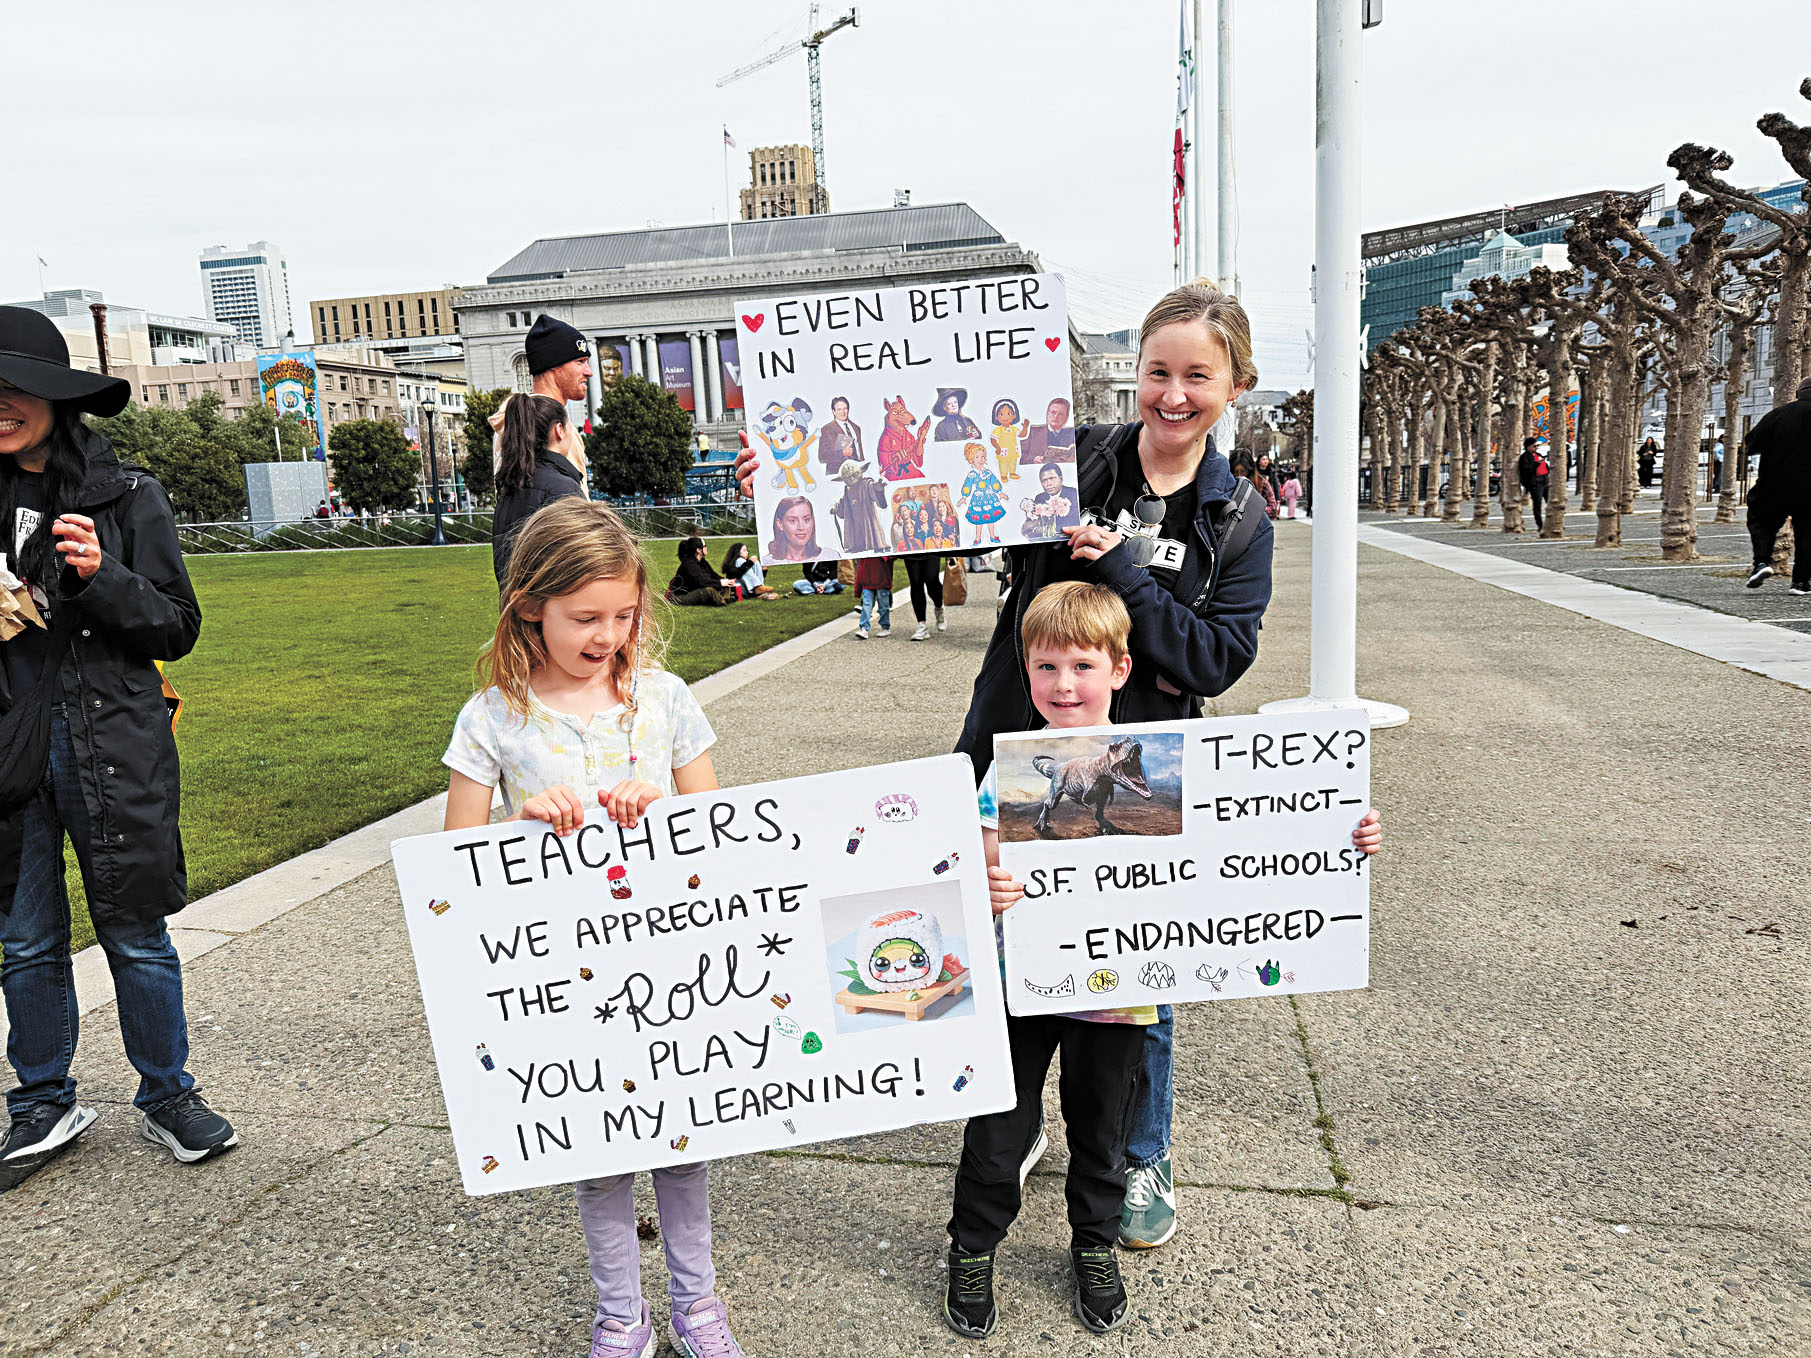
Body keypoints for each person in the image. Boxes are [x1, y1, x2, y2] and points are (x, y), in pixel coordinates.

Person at [440, 499, 747, 1358]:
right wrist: (521, 824)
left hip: (670, 958)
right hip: (563, 975)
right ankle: (622, 1314)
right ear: (529, 605)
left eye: (623, 615)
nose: (608, 634)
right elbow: (455, 850)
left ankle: (698, 1305)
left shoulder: (664, 700)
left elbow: (718, 821)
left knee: (684, 1147)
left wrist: (663, 808)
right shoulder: (493, 717)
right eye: (585, 617)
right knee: (599, 1154)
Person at [0, 306, 235, 1190]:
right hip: (7, 747)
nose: (2, 407)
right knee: (23, 938)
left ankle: (168, 1091)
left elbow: (176, 626)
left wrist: (103, 576)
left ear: (59, 400)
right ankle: (42, 1099)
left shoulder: (125, 494)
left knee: (135, 930)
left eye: (16, 389)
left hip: (111, 741)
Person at [944, 582, 1156, 1339]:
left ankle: (1095, 1246)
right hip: (1018, 985)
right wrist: (987, 880)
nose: (1063, 685)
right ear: (1024, 671)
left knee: (1100, 1133)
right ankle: (972, 1246)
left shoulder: (1168, 763)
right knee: (997, 1132)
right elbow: (971, 861)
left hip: (1120, 988)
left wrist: (1340, 836)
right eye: (1044, 668)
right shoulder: (1004, 769)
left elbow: (1241, 850)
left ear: (1119, 669)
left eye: (1080, 666)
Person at [491, 393, 587, 583]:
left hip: (519, 605)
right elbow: (580, 564)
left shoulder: (511, 485)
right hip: (553, 607)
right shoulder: (562, 488)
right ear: (559, 430)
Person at [1744, 377, 1811, 593]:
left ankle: (1762, 563)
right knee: (1808, 532)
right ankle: (1800, 582)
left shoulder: (1777, 415)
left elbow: (1751, 443)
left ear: (1798, 393)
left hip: (1775, 483)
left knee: (1761, 520)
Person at [956, 441, 1008, 547]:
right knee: (979, 519)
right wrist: (964, 497)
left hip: (990, 497)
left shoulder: (988, 472)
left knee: (991, 518)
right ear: (971, 460)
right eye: (977, 457)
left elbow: (994, 482)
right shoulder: (972, 474)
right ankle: (978, 537)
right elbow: (967, 485)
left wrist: (1000, 492)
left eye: (983, 457)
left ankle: (992, 536)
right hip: (978, 499)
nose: (981, 459)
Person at [668, 536, 735, 606]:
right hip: (682, 596)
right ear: (699, 550)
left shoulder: (702, 561)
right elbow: (701, 582)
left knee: (724, 584)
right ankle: (722, 602)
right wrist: (720, 582)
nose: (706, 548)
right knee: (709, 590)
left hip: (694, 590)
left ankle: (725, 598)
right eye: (705, 546)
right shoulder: (689, 564)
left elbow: (714, 575)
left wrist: (726, 581)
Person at [1020, 462, 1081, 540]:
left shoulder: (1073, 494)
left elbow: (1073, 522)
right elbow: (1028, 526)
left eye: (1052, 478)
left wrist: (1040, 525)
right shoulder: (1040, 498)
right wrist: (1033, 525)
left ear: (1061, 479)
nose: (1048, 484)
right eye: (1044, 481)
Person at [766, 495, 821, 563]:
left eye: (806, 520)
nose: (801, 527)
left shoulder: (830, 556)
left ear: (812, 521)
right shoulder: (768, 562)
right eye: (793, 521)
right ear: (780, 524)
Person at [905, 553, 945, 641]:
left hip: (931, 547)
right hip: (911, 547)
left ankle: (939, 607)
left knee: (932, 580)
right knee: (915, 582)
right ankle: (921, 624)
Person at [819, 396, 863, 475]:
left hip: (857, 473)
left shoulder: (856, 428)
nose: (842, 412)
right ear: (833, 411)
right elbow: (822, 457)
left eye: (845, 408)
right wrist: (842, 453)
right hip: (838, 474)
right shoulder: (827, 429)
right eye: (839, 409)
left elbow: (860, 453)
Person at [1232, 449, 1280, 519]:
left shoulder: (1262, 482)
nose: (1239, 475)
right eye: (1236, 472)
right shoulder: (1228, 483)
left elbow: (1273, 509)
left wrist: (1252, 510)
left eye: (1243, 471)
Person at [854, 555, 893, 639]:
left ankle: (885, 627)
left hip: (882, 582)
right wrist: (858, 590)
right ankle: (864, 629)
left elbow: (893, 557)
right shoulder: (864, 553)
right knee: (866, 606)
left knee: (883, 607)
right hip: (867, 583)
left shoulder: (885, 550)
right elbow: (860, 571)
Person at [1516, 437, 1549, 532]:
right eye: (1534, 446)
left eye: (1537, 446)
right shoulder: (1525, 457)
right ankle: (1540, 525)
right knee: (1537, 504)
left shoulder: (1538, 454)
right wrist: (1536, 464)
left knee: (1549, 501)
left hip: (1544, 481)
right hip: (1535, 483)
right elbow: (1526, 469)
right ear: (1528, 447)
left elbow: (1546, 467)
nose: (1536, 448)